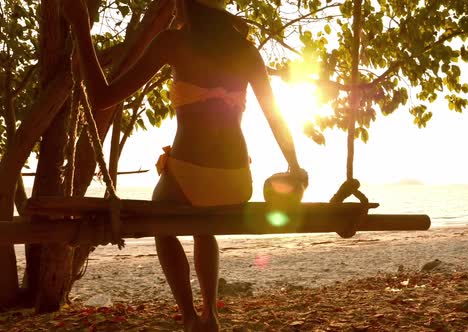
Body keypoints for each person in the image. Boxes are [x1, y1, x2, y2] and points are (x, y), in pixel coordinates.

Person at [63, 0, 307, 330]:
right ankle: (211, 313)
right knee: (202, 224)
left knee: (163, 224)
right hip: (236, 180)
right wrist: (294, 165)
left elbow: (103, 97)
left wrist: (80, 27)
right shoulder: (246, 50)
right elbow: (275, 116)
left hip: (189, 175)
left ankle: (191, 317)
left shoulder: (174, 42)